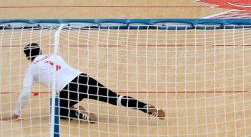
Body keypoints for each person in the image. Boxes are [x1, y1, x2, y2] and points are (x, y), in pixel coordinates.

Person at [3, 43, 165, 123]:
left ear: (27, 57)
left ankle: (80, 114)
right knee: (115, 98)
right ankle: (145, 107)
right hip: (84, 78)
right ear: (40, 51)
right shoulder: (54, 56)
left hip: (67, 89)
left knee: (56, 111)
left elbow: (25, 93)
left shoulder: (32, 69)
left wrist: (17, 114)